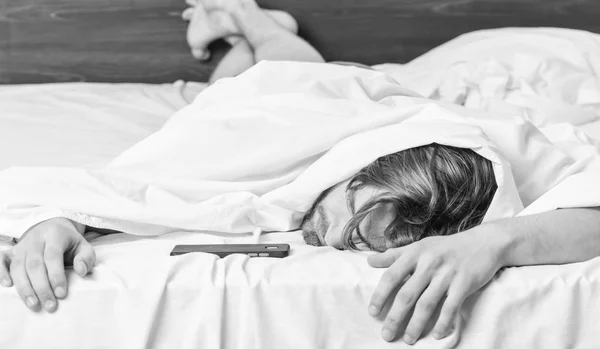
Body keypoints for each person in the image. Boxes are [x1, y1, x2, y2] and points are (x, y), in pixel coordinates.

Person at [1, 0, 600, 347]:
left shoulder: (516, 157)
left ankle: (261, 30)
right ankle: (261, 28)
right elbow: (159, 171)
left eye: (362, 244)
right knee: (233, 91)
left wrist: (497, 239)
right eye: (349, 212)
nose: (329, 241)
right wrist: (62, 215)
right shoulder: (300, 122)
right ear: (352, 169)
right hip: (322, 95)